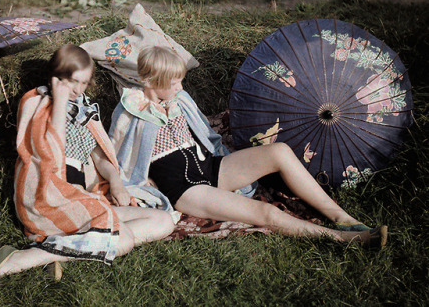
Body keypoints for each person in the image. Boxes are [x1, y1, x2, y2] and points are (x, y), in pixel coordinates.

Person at [109, 46, 388, 247]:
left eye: (181, 80)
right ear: (151, 82)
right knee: (265, 213)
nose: (180, 88)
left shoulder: (179, 100)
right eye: (173, 83)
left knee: (279, 151)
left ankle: (342, 217)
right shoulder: (129, 111)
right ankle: (344, 240)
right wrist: (128, 184)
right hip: (185, 189)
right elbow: (112, 153)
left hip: (209, 166)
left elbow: (203, 132)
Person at [0, 45, 174, 285]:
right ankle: (21, 260)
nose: (78, 89)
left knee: (164, 222)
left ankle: (59, 249)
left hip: (85, 198)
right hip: (51, 198)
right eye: (73, 82)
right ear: (57, 78)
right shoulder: (37, 103)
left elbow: (98, 157)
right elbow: (49, 151)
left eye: (84, 83)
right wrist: (60, 101)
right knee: (123, 241)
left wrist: (116, 183)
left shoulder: (83, 111)